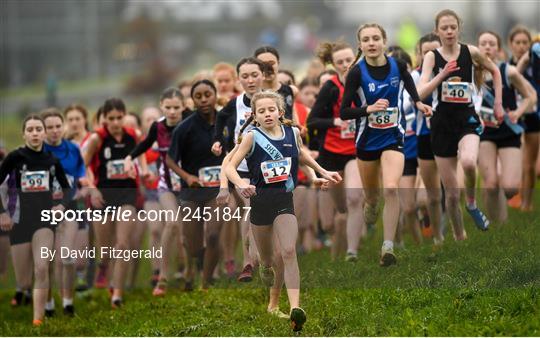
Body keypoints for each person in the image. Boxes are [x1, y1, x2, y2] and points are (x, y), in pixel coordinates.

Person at [225, 90, 341, 332]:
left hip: (284, 201)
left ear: (280, 112)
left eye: (271, 110)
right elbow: (230, 167)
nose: (267, 114)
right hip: (259, 204)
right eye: (262, 111)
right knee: (267, 260)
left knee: (288, 251)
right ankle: (266, 270)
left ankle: (295, 308)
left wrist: (321, 173)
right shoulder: (251, 137)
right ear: (255, 116)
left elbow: (302, 155)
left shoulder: (293, 132)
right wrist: (241, 184)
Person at [341, 23, 432, 266]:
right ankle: (370, 205)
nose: (371, 43)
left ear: (383, 41)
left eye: (375, 38)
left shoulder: (398, 66)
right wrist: (367, 109)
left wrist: (418, 103)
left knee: (391, 188)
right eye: (366, 40)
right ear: (360, 45)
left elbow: (410, 88)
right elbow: (343, 111)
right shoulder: (356, 73)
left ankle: (388, 247)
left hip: (393, 137)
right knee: (372, 197)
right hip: (367, 142)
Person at [417, 9, 504, 237]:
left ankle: (473, 204)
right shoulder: (431, 57)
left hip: (466, 119)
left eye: (452, 27)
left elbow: (495, 71)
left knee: (467, 162)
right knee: (453, 194)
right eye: (444, 28)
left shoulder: (470, 51)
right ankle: (459, 236)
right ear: (437, 31)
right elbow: (420, 91)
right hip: (441, 123)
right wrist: (442, 74)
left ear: (459, 28)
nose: (449, 31)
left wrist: (498, 104)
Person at [0, 115, 71, 326]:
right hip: (19, 222)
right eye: (30, 130)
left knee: (41, 267)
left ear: (44, 133)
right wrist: (2, 213)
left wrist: (61, 206)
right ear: (24, 134)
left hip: (44, 221)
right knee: (23, 280)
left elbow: (67, 189)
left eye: (38, 129)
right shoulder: (14, 157)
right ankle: (25, 292)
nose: (34, 133)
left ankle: (38, 320)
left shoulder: (52, 161)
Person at [125, 88, 188, 295]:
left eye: (176, 107)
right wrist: (129, 157)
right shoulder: (158, 127)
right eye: (168, 107)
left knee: (187, 233)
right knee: (171, 223)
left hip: (190, 185)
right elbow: (143, 145)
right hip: (166, 185)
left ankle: (188, 270)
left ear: (183, 107)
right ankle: (162, 275)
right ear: (162, 105)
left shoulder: (191, 122)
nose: (171, 112)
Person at [211, 57, 269, 282]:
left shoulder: (273, 100)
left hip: (269, 166)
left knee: (264, 212)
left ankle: (263, 256)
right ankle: (248, 261)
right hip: (243, 167)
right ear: (239, 79)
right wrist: (218, 140)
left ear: (263, 75)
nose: (250, 80)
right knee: (250, 207)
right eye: (245, 76)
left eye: (254, 75)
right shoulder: (235, 103)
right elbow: (221, 119)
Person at [308, 39, 366, 262]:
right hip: (330, 154)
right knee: (339, 211)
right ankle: (337, 245)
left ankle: (352, 251)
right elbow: (313, 121)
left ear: (356, 60)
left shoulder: (362, 82)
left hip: (355, 151)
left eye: (349, 60)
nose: (345, 65)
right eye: (340, 62)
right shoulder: (330, 87)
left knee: (354, 199)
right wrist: (335, 122)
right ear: (333, 64)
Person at [83, 98, 143, 308]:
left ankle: (117, 293)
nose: (116, 122)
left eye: (119, 117)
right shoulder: (97, 139)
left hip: (127, 194)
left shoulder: (133, 136)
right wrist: (92, 189)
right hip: (103, 196)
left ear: (125, 116)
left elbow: (142, 157)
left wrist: (140, 170)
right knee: (106, 249)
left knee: (123, 245)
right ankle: (104, 266)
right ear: (104, 119)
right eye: (111, 119)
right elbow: (83, 166)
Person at [166, 80, 226, 290]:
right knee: (192, 246)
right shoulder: (184, 128)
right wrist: (187, 176)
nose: (203, 100)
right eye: (198, 96)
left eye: (207, 94)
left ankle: (206, 281)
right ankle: (201, 261)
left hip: (218, 190)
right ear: (191, 100)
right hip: (191, 191)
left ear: (215, 95)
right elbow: (170, 160)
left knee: (213, 235)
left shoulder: (226, 122)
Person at [477, 31, 536, 223]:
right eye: (483, 43)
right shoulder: (470, 73)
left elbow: (531, 96)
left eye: (491, 44)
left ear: (499, 49)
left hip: (508, 132)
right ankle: (497, 225)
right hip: (483, 133)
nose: (487, 47)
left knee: (510, 187)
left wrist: (518, 113)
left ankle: (499, 212)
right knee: (491, 183)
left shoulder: (508, 71)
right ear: (477, 48)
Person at [42, 108, 88, 316]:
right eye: (49, 127)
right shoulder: (36, 152)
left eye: (57, 126)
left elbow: (80, 178)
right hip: (43, 211)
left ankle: (68, 302)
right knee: (48, 261)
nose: (54, 131)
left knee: (67, 257)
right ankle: (49, 302)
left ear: (64, 127)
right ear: (42, 130)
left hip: (68, 208)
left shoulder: (73, 149)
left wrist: (83, 189)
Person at [411, 33, 445, 245]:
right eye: (426, 53)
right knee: (428, 196)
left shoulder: (453, 72)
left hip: (449, 134)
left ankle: (450, 228)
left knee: (453, 189)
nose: (430, 57)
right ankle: (437, 236)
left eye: (434, 52)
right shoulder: (414, 77)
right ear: (420, 54)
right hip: (424, 136)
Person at [509, 26, 540, 211]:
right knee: (517, 161)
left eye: (524, 43)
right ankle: (513, 195)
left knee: (530, 165)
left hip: (532, 117)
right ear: (510, 44)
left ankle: (527, 204)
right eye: (517, 42)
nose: (521, 46)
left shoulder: (535, 62)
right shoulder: (507, 67)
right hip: (512, 117)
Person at [254, 46, 297, 121]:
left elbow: (294, 121)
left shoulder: (291, 90)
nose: (268, 68)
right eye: (263, 64)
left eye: (271, 63)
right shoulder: (253, 94)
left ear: (278, 63)